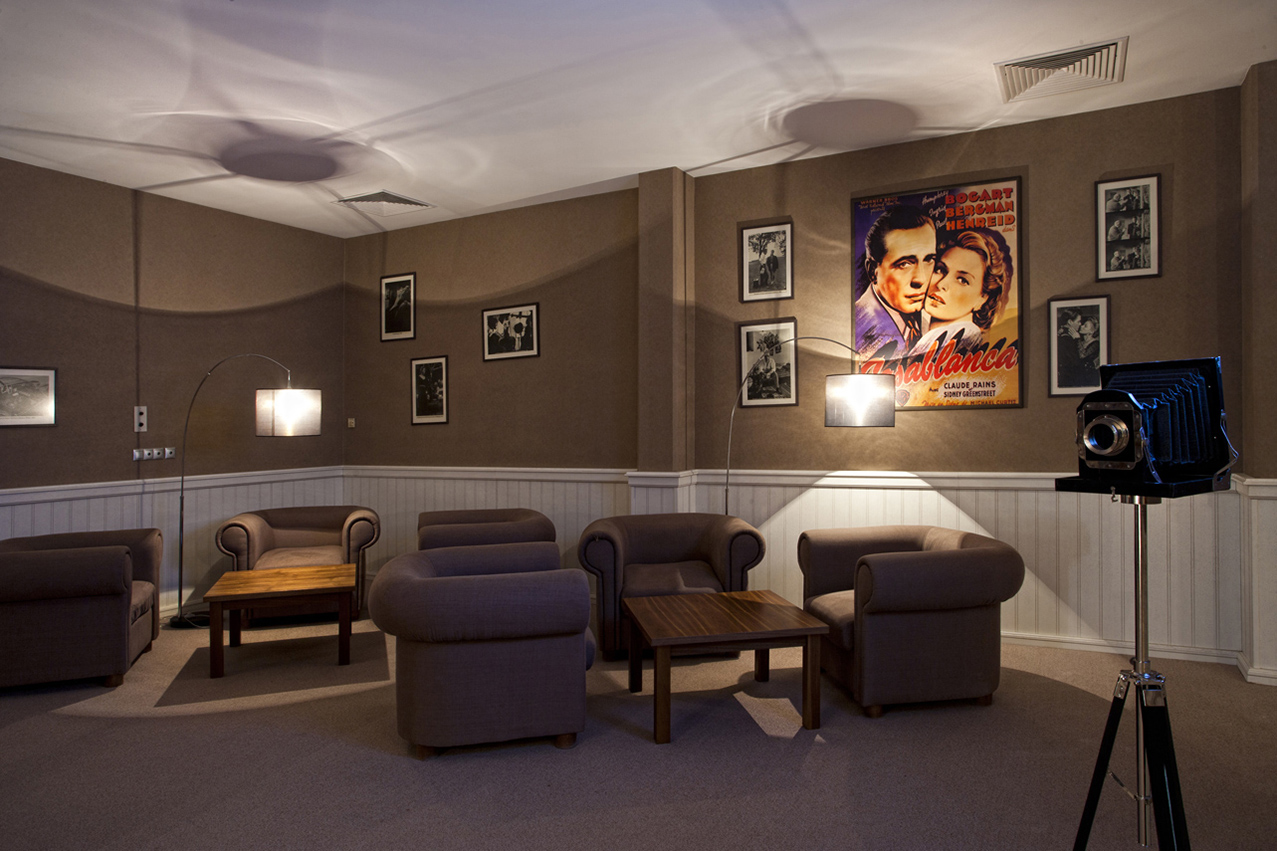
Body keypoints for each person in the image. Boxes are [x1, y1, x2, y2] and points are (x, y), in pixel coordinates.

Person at [910, 228, 1012, 356]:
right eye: (940, 270)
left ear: (983, 298)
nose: (941, 284)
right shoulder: (922, 331)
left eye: (962, 280)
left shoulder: (958, 337)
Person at [854, 205, 937, 360]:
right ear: (873, 271)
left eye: (929, 260)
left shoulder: (930, 321)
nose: (921, 279)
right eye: (904, 264)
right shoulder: (858, 327)